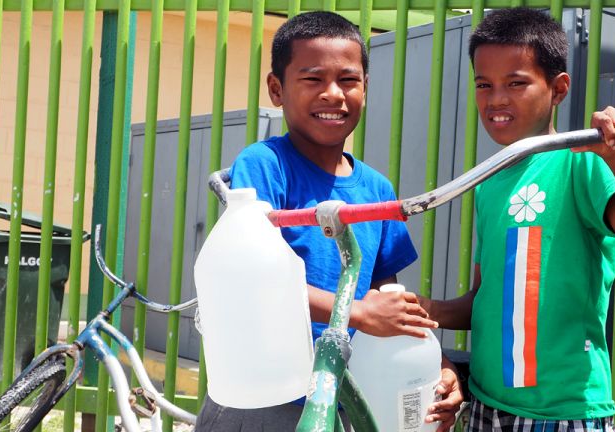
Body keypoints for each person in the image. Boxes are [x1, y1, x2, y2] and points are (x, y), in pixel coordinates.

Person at [195, 11, 463, 431]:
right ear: (277, 89)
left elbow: (384, 298)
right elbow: (256, 283)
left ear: (366, 88)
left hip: (346, 397)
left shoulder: (376, 188)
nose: (333, 94)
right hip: (266, 399)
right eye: (313, 79)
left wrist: (440, 366)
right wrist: (357, 313)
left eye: (348, 80)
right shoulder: (266, 165)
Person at [418, 8, 615, 432]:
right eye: (485, 85)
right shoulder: (489, 182)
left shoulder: (582, 164)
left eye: (516, 83)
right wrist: (424, 311)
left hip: (564, 413)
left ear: (558, 89)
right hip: (485, 405)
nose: (497, 99)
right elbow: (485, 300)